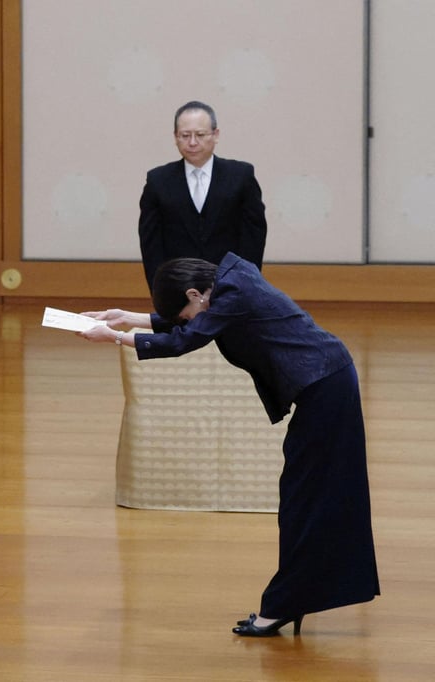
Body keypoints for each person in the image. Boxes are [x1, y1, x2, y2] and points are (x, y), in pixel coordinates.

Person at [77, 253, 380, 636]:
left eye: (184, 312)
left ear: (194, 293)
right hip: (326, 383)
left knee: (306, 498)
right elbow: (196, 321)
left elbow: (187, 338)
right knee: (305, 497)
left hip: (325, 387)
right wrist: (127, 316)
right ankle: (291, 600)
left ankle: (285, 604)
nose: (187, 318)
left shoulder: (233, 294)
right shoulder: (230, 282)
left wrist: (116, 337)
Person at [138, 101, 267, 293]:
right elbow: (151, 246)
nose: (192, 142)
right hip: (178, 291)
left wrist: (245, 288)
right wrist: (162, 293)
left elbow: (254, 238)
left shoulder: (241, 176)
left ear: (215, 135)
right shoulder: (158, 181)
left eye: (200, 135)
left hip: (232, 288)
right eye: (185, 135)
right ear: (175, 137)